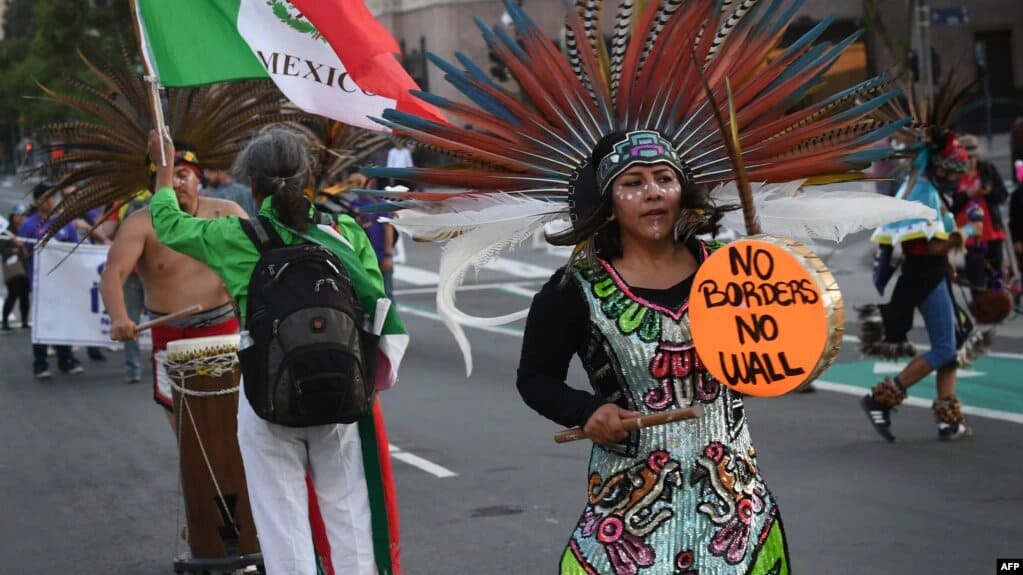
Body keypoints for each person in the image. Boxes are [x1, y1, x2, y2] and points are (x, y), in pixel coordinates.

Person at [513, 131, 789, 573]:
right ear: (609, 204)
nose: (653, 192)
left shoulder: (732, 268)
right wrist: (585, 411)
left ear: (683, 191)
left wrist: (774, 306)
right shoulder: (573, 289)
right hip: (629, 513)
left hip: (734, 505)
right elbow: (535, 379)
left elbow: (774, 358)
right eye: (633, 183)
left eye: (664, 179)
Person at [149, 126, 406, 575]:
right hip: (341, 396)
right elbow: (377, 306)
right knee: (349, 518)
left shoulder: (233, 236)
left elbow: (168, 224)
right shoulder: (344, 232)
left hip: (267, 399)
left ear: (252, 184)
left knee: (283, 523)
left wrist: (164, 166)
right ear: (308, 174)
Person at [101, 146, 246, 420]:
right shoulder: (140, 223)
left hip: (225, 333)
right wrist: (119, 317)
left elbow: (259, 262)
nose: (175, 183)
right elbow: (113, 273)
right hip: (170, 338)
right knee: (188, 437)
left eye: (183, 175)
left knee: (233, 431)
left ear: (198, 179)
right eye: (165, 177)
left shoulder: (227, 212)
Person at [862, 132, 974, 441]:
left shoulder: (930, 188)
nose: (953, 176)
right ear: (938, 165)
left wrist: (951, 264)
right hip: (924, 279)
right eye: (950, 169)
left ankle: (948, 421)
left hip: (934, 275)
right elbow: (930, 245)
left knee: (951, 346)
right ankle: (880, 399)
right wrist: (963, 234)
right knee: (944, 349)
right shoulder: (922, 190)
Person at [18, 182, 85, 379]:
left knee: (62, 321)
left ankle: (66, 360)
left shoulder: (65, 222)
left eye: (52, 197)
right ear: (37, 200)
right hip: (41, 284)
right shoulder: (28, 225)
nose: (50, 201)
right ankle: (40, 364)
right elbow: (25, 255)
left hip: (63, 283)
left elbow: (76, 250)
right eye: (46, 197)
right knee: (42, 323)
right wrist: (22, 250)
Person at [952, 135, 1008, 285]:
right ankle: (980, 307)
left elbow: (1003, 195)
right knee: (976, 281)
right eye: (966, 157)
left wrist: (988, 192)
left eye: (973, 157)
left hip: (992, 234)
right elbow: (950, 205)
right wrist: (967, 194)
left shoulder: (988, 170)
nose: (970, 160)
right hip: (969, 237)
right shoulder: (954, 175)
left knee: (996, 279)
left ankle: (997, 307)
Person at [2, 204, 30, 333]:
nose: (21, 218)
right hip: (12, 267)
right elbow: (2, 247)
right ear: (13, 216)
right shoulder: (7, 231)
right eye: (19, 215)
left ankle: (24, 321)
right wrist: (13, 248)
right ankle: (5, 320)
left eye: (23, 215)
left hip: (25, 266)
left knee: (25, 295)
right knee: (12, 294)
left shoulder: (25, 229)